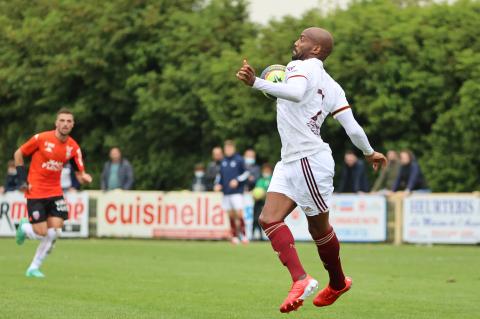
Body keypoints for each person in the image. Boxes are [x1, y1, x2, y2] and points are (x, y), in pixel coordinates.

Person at [236, 27, 387, 313]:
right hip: (291, 160)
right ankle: (301, 279)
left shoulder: (300, 66)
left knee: (319, 229)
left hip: (309, 160)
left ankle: (338, 282)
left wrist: (256, 82)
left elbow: (294, 92)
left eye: (302, 39)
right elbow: (351, 126)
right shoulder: (332, 86)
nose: (296, 41)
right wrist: (369, 151)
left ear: (316, 49)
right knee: (269, 219)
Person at [14, 108, 92, 278]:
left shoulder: (73, 147)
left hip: (55, 192)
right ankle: (25, 227)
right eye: (62, 120)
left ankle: (33, 268)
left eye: (69, 121)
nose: (65, 124)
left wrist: (84, 177)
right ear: (56, 123)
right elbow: (18, 153)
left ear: (73, 124)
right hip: (35, 191)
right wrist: (22, 179)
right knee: (41, 232)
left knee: (54, 231)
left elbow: (80, 171)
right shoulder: (41, 138)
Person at [214, 140, 250, 244]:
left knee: (239, 214)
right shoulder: (223, 161)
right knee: (230, 215)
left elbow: (246, 173)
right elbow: (219, 176)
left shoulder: (239, 160)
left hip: (237, 192)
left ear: (233, 149)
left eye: (229, 148)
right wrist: (217, 184)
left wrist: (237, 180)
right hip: (226, 192)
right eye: (226, 149)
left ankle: (244, 236)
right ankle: (234, 236)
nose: (228, 150)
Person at [251, 163, 273, 240]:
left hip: (268, 203)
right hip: (258, 202)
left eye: (267, 171)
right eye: (264, 171)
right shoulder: (260, 180)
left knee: (267, 220)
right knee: (255, 219)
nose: (266, 172)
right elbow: (256, 191)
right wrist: (255, 195)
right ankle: (254, 235)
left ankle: (269, 236)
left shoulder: (273, 180)